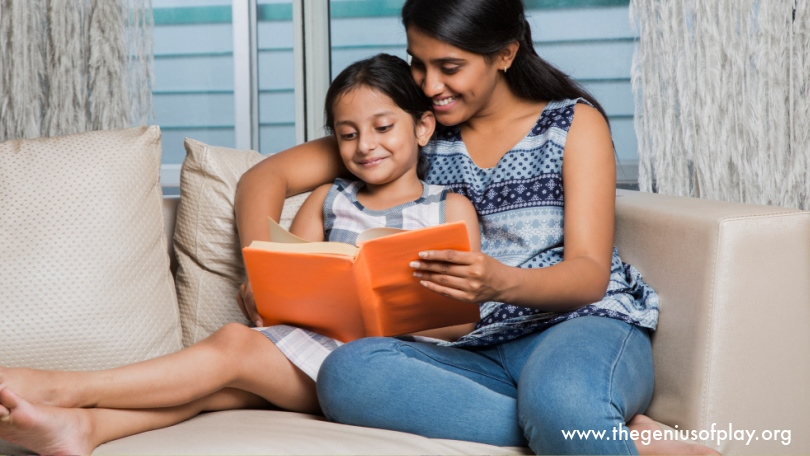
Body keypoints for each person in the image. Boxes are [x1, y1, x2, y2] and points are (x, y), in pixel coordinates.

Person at [233, 1, 720, 455]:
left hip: (580, 327)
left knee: (562, 402)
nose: (427, 84)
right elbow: (263, 178)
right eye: (417, 64)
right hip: (473, 351)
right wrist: (263, 274)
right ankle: (602, 429)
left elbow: (589, 274)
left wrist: (499, 282)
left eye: (449, 67)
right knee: (345, 372)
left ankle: (570, 414)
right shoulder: (416, 128)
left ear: (505, 53)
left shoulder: (571, 124)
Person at [0, 53, 480, 455]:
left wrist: (390, 311)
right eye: (348, 133)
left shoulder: (448, 208)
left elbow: (465, 318)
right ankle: (85, 428)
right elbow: (288, 279)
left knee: (233, 346)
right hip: (313, 349)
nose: (365, 144)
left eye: (382, 127)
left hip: (388, 367)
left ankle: (66, 388)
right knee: (218, 387)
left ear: (422, 128)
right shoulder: (326, 199)